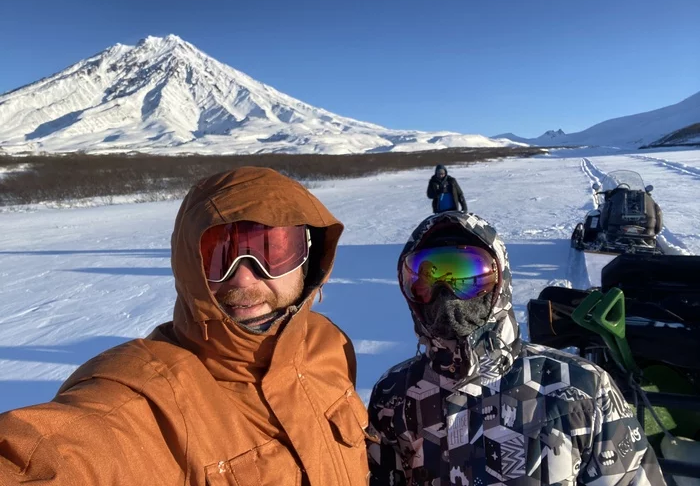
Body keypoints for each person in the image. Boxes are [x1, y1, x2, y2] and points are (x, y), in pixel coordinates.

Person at [0, 167, 369, 486]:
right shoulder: (142, 400)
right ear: (187, 267)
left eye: (272, 251)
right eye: (216, 257)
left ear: (307, 256)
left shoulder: (328, 344)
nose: (243, 280)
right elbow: (56, 453)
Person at [366, 211, 665, 485]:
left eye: (466, 276)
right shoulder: (394, 396)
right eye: (426, 279)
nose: (446, 294)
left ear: (500, 280)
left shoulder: (580, 389)